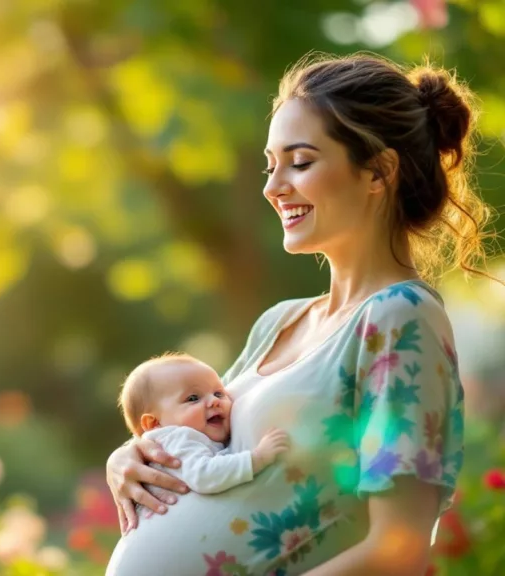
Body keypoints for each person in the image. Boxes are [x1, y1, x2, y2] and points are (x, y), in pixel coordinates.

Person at [105, 53, 498, 575]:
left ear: (379, 171)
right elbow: (203, 443)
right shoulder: (279, 322)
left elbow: (399, 547)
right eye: (271, 165)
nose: (273, 187)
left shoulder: (399, 318)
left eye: (301, 161)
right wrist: (129, 457)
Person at [118, 352, 290, 496]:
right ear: (154, 423)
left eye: (218, 393)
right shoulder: (175, 438)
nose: (214, 401)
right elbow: (204, 475)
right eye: (193, 398)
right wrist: (257, 458)